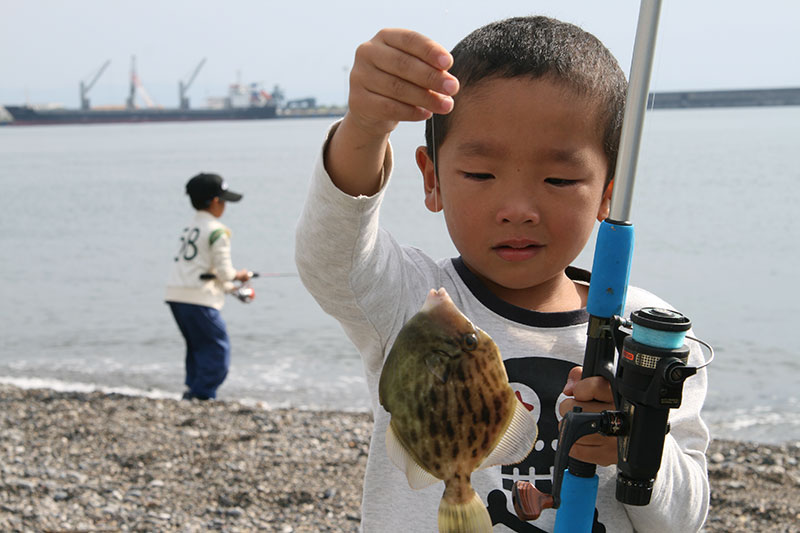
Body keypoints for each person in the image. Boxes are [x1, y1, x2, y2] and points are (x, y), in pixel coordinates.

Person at [295, 16, 709, 533]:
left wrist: (638, 451)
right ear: (433, 178)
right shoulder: (410, 303)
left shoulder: (652, 343)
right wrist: (365, 127)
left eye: (559, 178)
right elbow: (330, 256)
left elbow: (686, 519)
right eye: (480, 174)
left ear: (610, 190)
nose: (517, 208)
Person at [166, 172, 252, 401]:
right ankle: (203, 395)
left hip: (176, 296)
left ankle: (193, 391)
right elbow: (225, 272)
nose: (225, 205)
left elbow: (204, 269)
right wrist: (240, 276)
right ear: (215, 202)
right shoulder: (218, 231)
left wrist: (231, 289)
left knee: (196, 347)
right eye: (223, 200)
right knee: (217, 349)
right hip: (199, 299)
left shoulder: (190, 228)